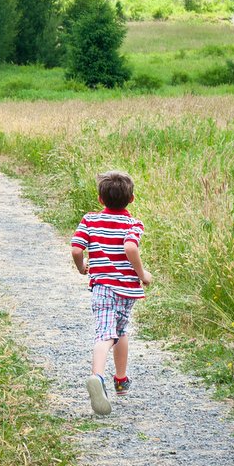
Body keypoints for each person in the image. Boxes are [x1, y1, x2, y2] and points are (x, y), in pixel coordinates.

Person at [72, 171, 152, 417]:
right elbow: (130, 246)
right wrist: (142, 273)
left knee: (104, 333)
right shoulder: (132, 224)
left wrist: (82, 267)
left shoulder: (89, 220)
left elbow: (76, 249)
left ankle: (97, 376)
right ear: (132, 199)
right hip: (125, 290)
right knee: (120, 330)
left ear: (100, 199)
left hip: (101, 287)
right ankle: (120, 379)